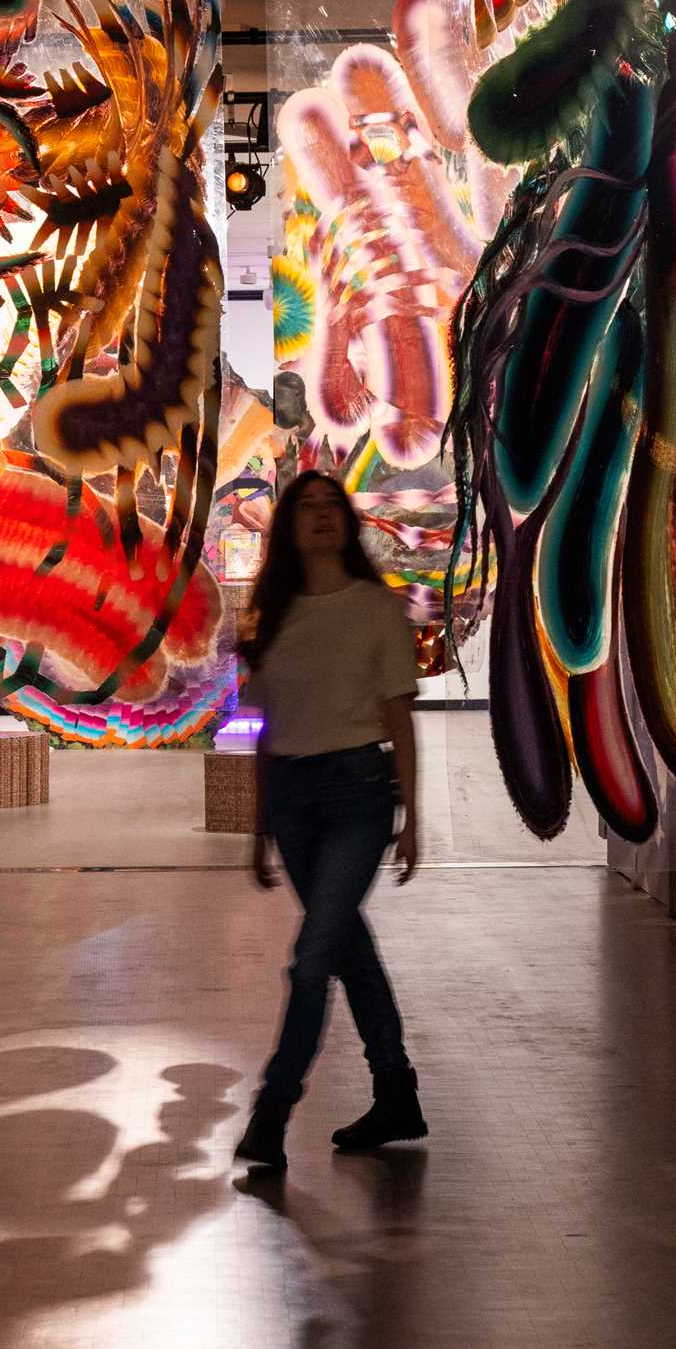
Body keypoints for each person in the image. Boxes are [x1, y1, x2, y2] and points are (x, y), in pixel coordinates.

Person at [234, 471, 426, 1171]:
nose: (320, 517)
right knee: (347, 949)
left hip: (358, 796)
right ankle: (396, 1094)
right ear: (288, 528)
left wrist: (413, 819)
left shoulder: (376, 609)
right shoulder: (273, 612)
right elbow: (263, 727)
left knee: (311, 960)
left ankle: (271, 1114)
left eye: (330, 507)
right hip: (293, 802)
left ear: (347, 524)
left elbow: (399, 719)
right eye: (305, 508)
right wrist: (260, 829)